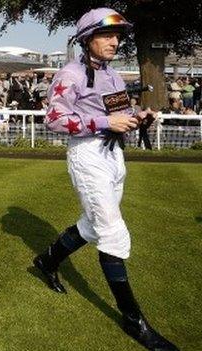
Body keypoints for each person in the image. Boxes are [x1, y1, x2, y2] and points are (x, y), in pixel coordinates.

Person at [33, 9, 178, 351]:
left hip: (113, 156)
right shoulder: (69, 74)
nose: (115, 42)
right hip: (87, 156)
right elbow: (53, 120)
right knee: (112, 232)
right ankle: (134, 321)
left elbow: (118, 115)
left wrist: (138, 118)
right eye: (106, 35)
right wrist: (103, 124)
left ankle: (47, 260)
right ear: (87, 39)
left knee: (93, 225)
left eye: (118, 36)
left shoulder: (112, 76)